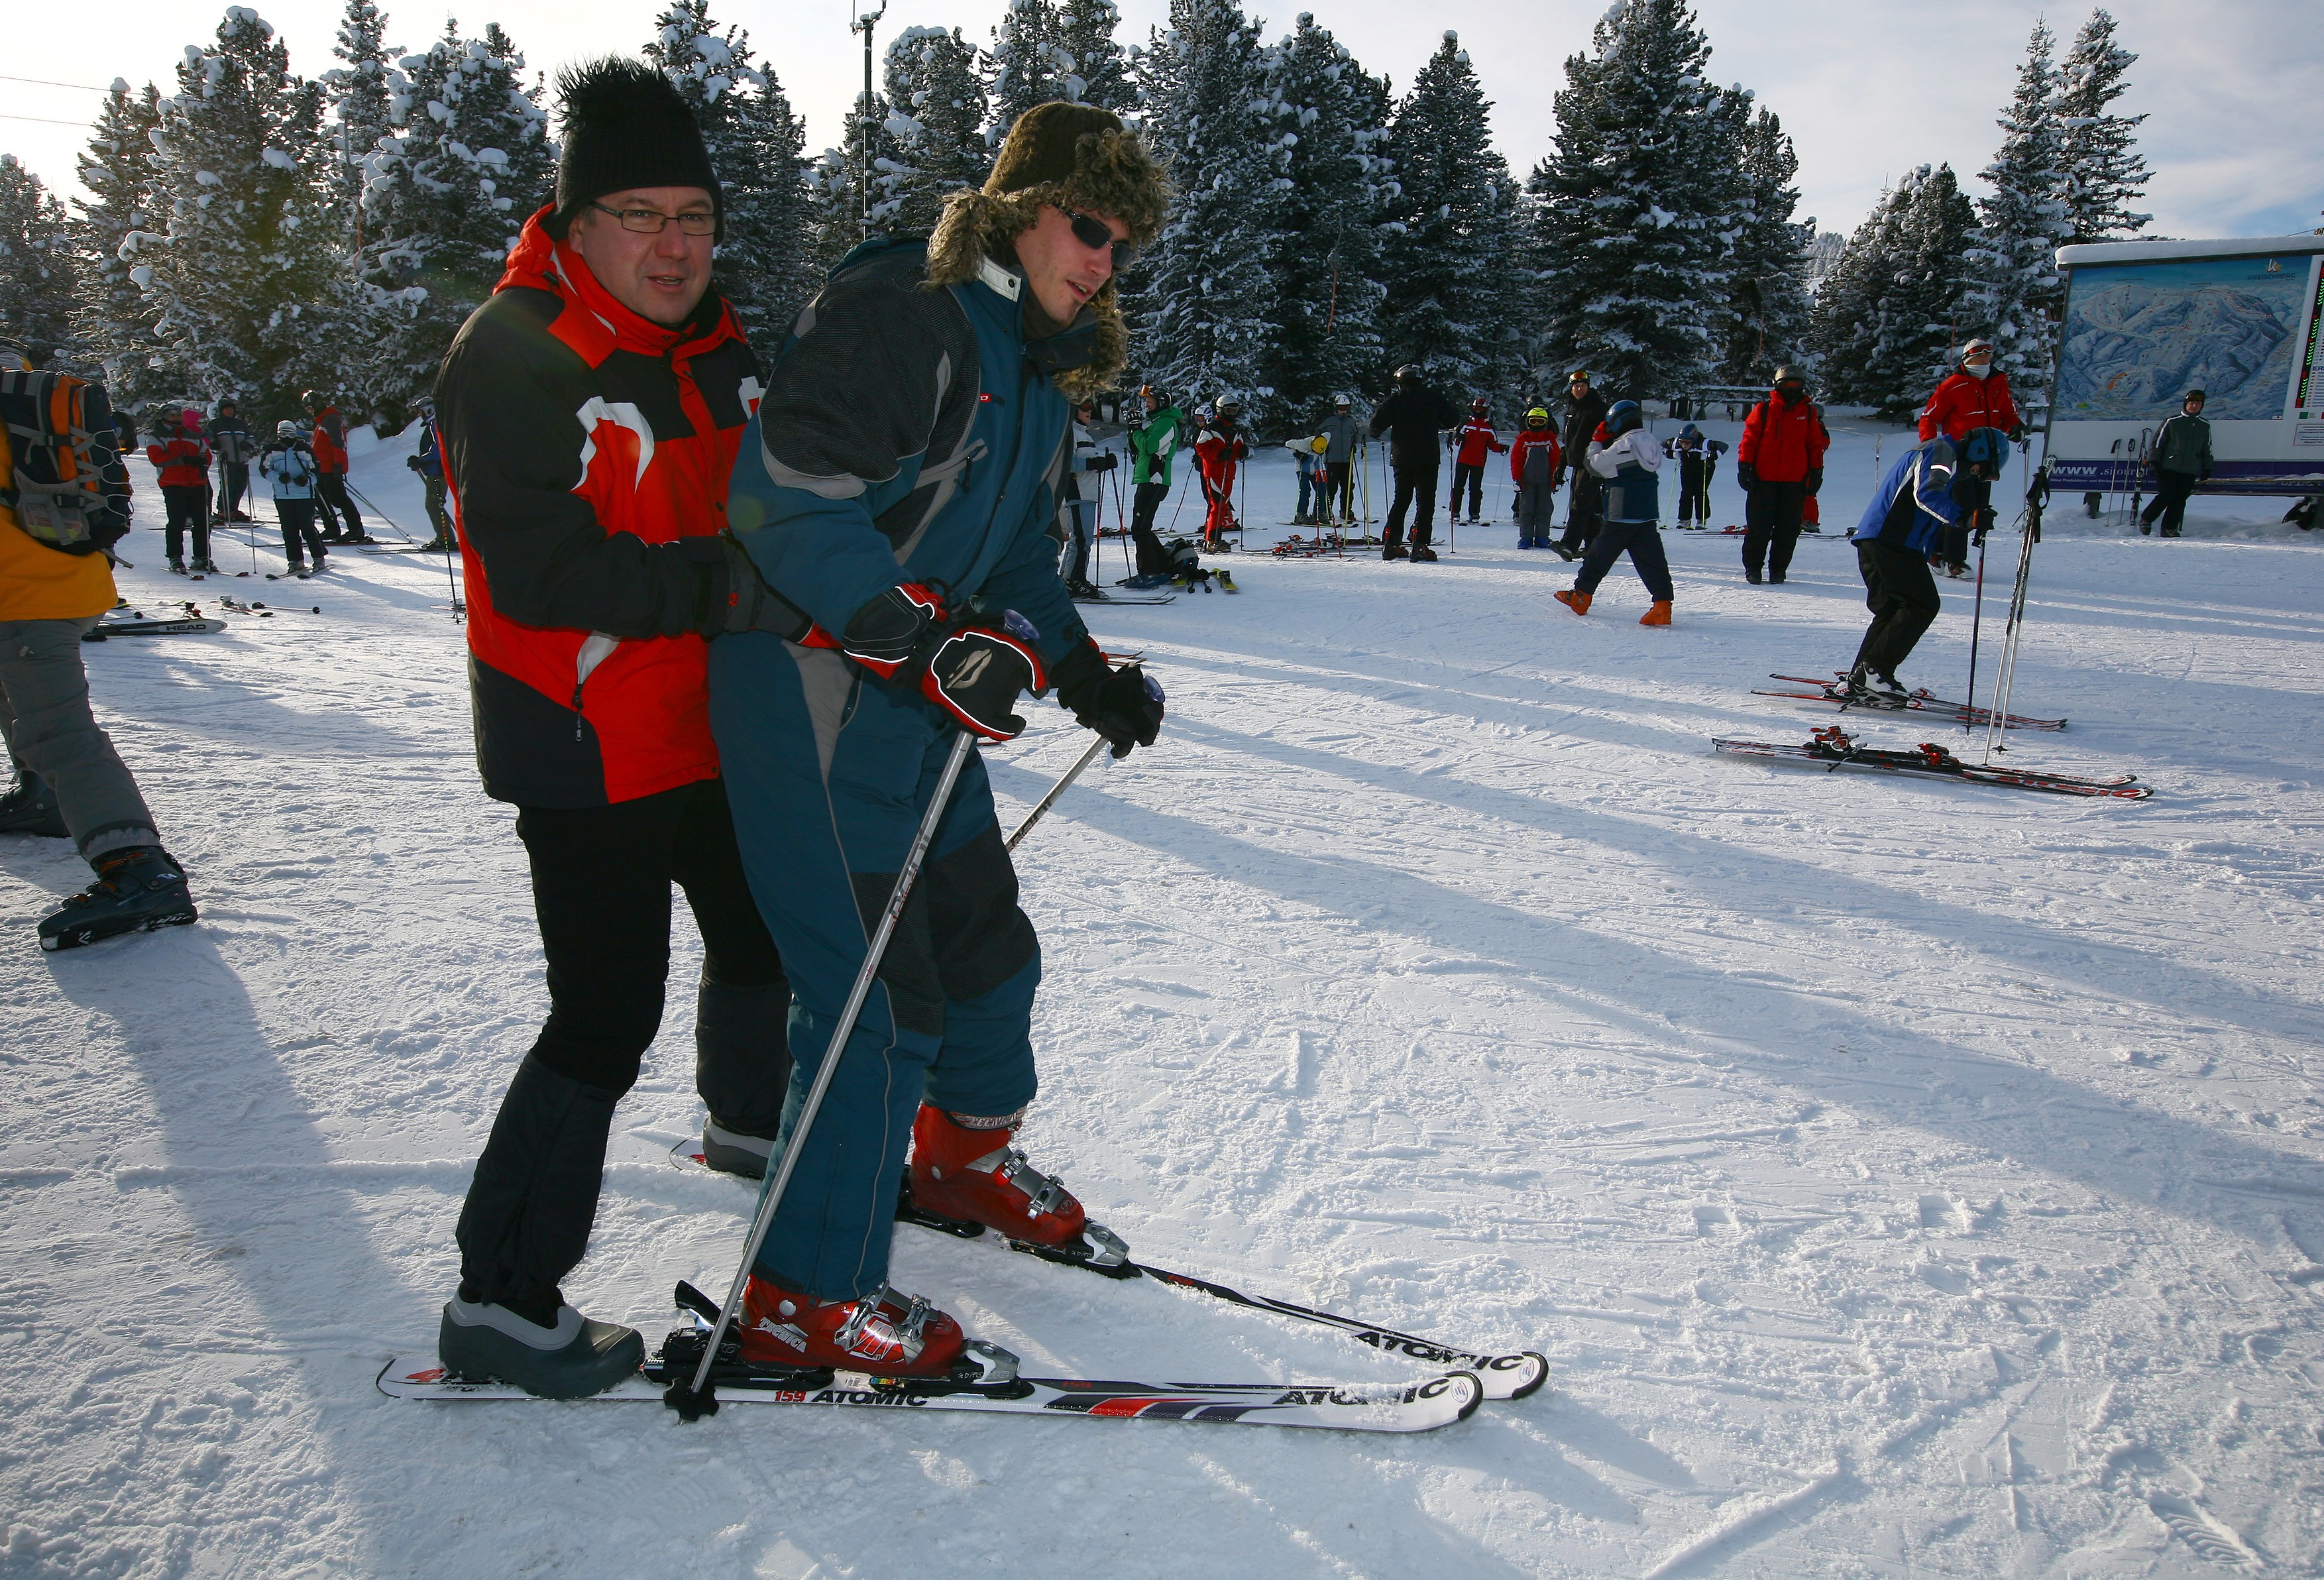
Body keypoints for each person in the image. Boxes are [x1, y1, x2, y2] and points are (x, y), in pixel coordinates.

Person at [713, 99, 1171, 1379]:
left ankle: (959, 1158)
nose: (1103, 257)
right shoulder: (908, 317)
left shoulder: (1024, 362)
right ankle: (799, 1290)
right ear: (1022, 209)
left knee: (982, 953)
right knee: (874, 1000)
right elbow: (782, 497)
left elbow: (1017, 547)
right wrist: (914, 634)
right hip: (812, 696)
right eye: (1089, 225)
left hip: (920, 705)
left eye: (1122, 242)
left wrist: (1085, 674)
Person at [429, 57, 810, 1399]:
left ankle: (750, 1124)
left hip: (713, 722)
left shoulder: (717, 348)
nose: (671, 244)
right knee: (603, 1012)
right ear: (576, 219)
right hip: (582, 739)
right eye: (639, 213)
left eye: (692, 215)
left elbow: (785, 502)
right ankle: (500, 1299)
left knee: (763, 932)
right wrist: (725, 585)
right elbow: (535, 563)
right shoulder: (518, 346)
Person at [0, 346, 199, 950]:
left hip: (27, 596)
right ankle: (42, 797)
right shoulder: (31, 409)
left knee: (58, 729)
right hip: (69, 579)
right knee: (19, 699)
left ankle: (139, 869)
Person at [1848, 427, 2009, 701]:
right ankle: (1875, 672)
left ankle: (1862, 676)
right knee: (1921, 605)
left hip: (1878, 538)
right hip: (1893, 539)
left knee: (1891, 609)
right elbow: (1927, 495)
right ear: (1980, 451)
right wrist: (1965, 518)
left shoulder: (1935, 452)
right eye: (1980, 469)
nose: (1975, 474)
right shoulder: (1940, 452)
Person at [1553, 400, 1673, 625]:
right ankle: (1662, 605)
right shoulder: (1650, 441)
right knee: (1653, 560)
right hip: (1646, 512)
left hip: (1622, 511)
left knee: (1598, 556)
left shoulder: (1625, 444)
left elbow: (1594, 466)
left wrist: (1597, 441)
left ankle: (1581, 596)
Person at [1918, 339, 2022, 575]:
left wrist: (2015, 426)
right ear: (1967, 358)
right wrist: (1932, 445)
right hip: (1959, 455)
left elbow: (2007, 414)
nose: (1985, 358)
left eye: (1988, 354)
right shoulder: (1952, 386)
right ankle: (1954, 561)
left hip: (1989, 457)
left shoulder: (1998, 384)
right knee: (1962, 506)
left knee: (1978, 506)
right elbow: (1929, 417)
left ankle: (1936, 550)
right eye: (1979, 354)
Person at [1735, 367, 1828, 585]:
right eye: (1786, 385)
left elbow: (1814, 445)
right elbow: (1749, 438)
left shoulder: (1808, 413)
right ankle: (1753, 568)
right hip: (1763, 480)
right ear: (1777, 385)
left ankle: (1778, 569)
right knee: (1759, 528)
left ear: (1802, 385)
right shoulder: (1764, 410)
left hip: (1794, 481)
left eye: (1795, 385)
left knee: (1788, 530)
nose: (1790, 389)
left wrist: (1817, 472)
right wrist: (1745, 465)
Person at [1368, 365, 1459, 561]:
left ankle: (1391, 543)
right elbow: (1453, 419)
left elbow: (1375, 427)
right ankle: (1420, 544)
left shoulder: (1396, 399)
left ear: (1400, 381)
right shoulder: (1433, 397)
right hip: (1427, 457)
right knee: (1425, 501)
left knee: (1401, 499)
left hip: (1402, 457)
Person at [145, 408, 215, 575]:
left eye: (178, 415)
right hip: (173, 483)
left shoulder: (192, 435)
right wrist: (182, 459)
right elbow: (157, 458)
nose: (176, 418)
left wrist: (202, 462)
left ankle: (202, 556)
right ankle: (175, 556)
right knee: (176, 522)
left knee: (202, 522)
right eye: (172, 415)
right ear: (164, 417)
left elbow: (206, 454)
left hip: (197, 482)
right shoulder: (156, 436)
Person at [1126, 384, 1184, 576]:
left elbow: (1150, 447)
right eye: (1146, 401)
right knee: (1141, 528)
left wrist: (1137, 431)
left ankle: (1151, 570)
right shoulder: (1157, 422)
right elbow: (1137, 449)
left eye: (1149, 401)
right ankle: (1157, 567)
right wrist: (1132, 430)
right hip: (1147, 478)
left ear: (1161, 402)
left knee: (1141, 528)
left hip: (1155, 479)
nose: (1146, 405)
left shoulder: (1166, 423)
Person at [260, 418, 329, 576]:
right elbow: (264, 470)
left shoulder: (304, 450)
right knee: (289, 530)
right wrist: (278, 478)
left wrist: (306, 480)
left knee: (307, 527)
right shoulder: (272, 451)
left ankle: (318, 557)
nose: (286, 437)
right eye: (283, 434)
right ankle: (295, 560)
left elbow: (316, 471)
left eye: (290, 434)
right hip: (283, 496)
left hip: (304, 495)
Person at [1061, 403, 1117, 594]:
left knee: (1081, 539)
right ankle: (1074, 580)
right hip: (1077, 492)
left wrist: (1103, 463)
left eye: (1090, 407)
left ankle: (1068, 579)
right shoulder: (1070, 433)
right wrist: (1094, 463)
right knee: (1082, 539)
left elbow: (1086, 463)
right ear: (1073, 410)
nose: (1089, 411)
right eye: (1084, 407)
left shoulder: (1084, 434)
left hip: (1088, 492)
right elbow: (1067, 463)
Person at [305, 391, 372, 545]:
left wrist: (339, 465)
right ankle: (332, 528)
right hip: (321, 468)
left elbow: (339, 444)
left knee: (339, 498)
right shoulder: (322, 421)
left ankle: (356, 529)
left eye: (310, 408)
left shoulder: (331, 420)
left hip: (331, 468)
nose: (310, 412)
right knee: (320, 499)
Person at [2141, 390, 2211, 538]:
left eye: (2198, 404)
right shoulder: (2172, 422)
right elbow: (2158, 443)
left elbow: (2207, 448)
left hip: (2189, 468)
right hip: (2168, 466)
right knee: (2167, 495)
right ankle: (2147, 518)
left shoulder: (2204, 425)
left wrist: (2207, 466)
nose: (2194, 406)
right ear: (2186, 404)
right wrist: (2154, 461)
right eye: (2191, 403)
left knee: (2180, 499)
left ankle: (2169, 528)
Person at [1555, 370, 1609, 559]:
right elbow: (1569, 443)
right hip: (1578, 464)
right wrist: (1560, 466)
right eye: (1576, 386)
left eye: (1583, 386)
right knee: (1591, 507)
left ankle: (1569, 544)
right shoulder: (1573, 410)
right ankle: (1595, 546)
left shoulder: (1597, 409)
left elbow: (1607, 438)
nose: (1579, 389)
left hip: (1592, 464)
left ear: (1589, 387)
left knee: (1580, 505)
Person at [1193, 396, 1248, 550]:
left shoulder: (1234, 429)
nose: (1232, 414)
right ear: (1221, 410)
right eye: (1229, 410)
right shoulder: (1211, 428)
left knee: (1222, 506)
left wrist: (1242, 451)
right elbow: (1201, 448)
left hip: (1229, 473)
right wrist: (1218, 455)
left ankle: (1214, 539)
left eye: (1235, 411)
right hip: (1214, 471)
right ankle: (1212, 540)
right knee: (1217, 506)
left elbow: (1237, 448)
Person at [1448, 397, 1506, 527]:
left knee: (1475, 489)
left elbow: (1493, 444)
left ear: (1485, 410)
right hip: (1463, 460)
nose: (1478, 411)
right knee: (1458, 487)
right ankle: (1455, 512)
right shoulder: (1466, 424)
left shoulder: (1488, 427)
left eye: (1480, 409)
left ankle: (1474, 513)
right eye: (1475, 409)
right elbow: (1456, 441)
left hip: (1478, 462)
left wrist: (1502, 448)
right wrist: (1459, 438)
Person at [1510, 405, 1562, 549]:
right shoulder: (1523, 440)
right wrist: (1517, 479)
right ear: (1528, 422)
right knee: (1526, 510)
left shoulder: (1550, 440)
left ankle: (1542, 536)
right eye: (1534, 422)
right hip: (1527, 482)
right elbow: (1516, 461)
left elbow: (1555, 461)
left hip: (1545, 482)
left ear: (1545, 423)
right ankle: (1526, 537)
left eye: (1540, 422)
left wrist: (1555, 479)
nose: (1537, 425)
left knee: (1544, 509)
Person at [407, 395, 455, 551]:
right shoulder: (434, 424)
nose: (419, 415)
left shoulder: (436, 424)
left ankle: (445, 539)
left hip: (438, 471)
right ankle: (445, 538)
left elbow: (438, 449)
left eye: (420, 411)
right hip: (435, 471)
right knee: (434, 504)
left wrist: (421, 460)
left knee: (434, 504)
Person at [1663, 423, 1728, 528]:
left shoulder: (1704, 443)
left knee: (1700, 492)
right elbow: (1661, 445)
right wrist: (1670, 454)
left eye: (1687, 442)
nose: (1684, 445)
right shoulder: (1675, 443)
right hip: (1687, 466)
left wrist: (1709, 455)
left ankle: (1701, 520)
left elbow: (1724, 447)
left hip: (1705, 467)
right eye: (1682, 442)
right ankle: (1684, 520)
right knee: (1686, 492)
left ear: (1694, 440)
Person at [206, 398, 256, 526]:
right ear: (221, 410)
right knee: (228, 485)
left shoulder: (240, 423)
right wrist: (214, 443)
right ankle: (223, 509)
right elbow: (208, 436)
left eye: (231, 409)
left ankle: (233, 508)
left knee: (241, 485)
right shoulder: (215, 424)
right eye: (226, 409)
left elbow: (250, 436)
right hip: (226, 460)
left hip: (241, 459)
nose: (229, 411)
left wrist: (248, 444)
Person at [1318, 396, 1359, 527]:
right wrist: (1324, 446)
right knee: (1332, 486)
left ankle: (1346, 510)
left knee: (1348, 487)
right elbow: (1318, 434)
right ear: (1336, 408)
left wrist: (1354, 446)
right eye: (1341, 408)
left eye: (1346, 408)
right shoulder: (1329, 422)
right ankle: (1327, 511)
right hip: (1332, 459)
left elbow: (1355, 435)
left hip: (1347, 460)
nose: (1344, 411)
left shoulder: (1350, 422)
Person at [1287, 434, 1327, 526]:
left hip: (1315, 470)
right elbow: (1287, 444)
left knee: (1322, 490)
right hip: (1302, 470)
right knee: (1305, 490)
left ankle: (1319, 513)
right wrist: (1297, 454)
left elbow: (1328, 434)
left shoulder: (1324, 440)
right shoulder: (1302, 444)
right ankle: (1301, 514)